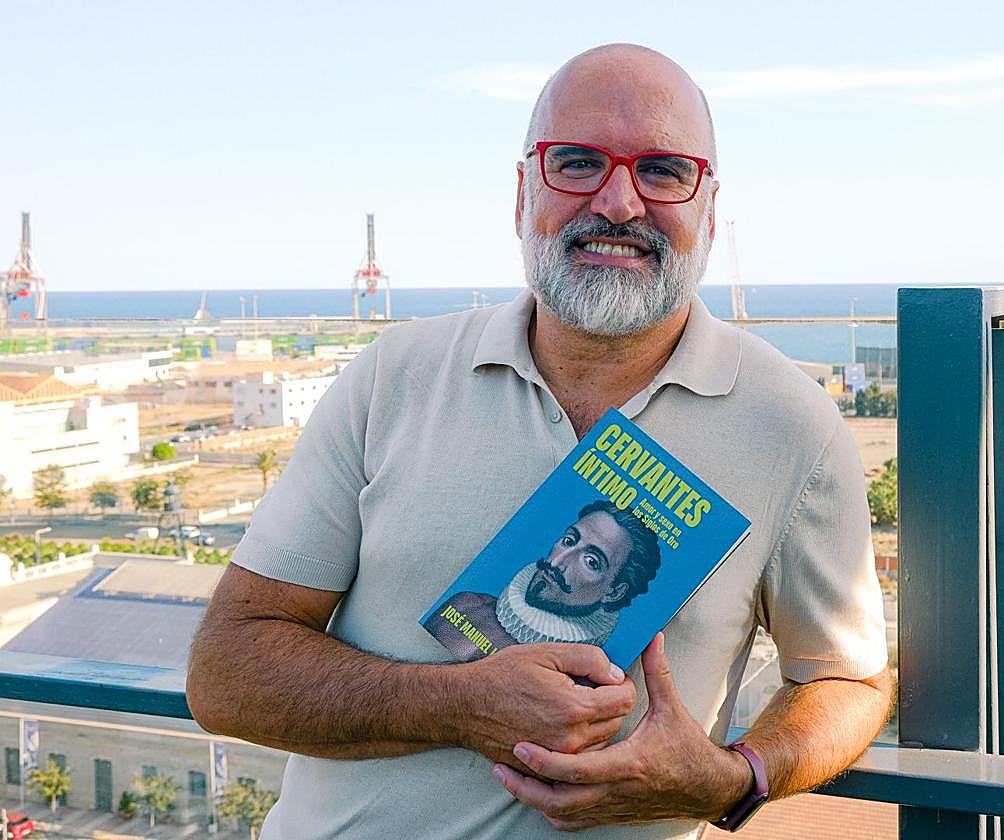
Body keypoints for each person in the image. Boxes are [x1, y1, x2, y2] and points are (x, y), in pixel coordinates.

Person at [187, 43, 892, 839]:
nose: (620, 201)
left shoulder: (792, 423)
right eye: (579, 161)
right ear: (524, 192)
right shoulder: (395, 376)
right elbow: (226, 673)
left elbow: (847, 682)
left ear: (708, 208)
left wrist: (730, 778)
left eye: (663, 171)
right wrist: (458, 705)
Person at [423, 500, 663, 660]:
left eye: (591, 561)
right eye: (569, 541)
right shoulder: (466, 608)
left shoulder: (585, 686)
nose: (558, 562)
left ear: (614, 592)